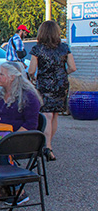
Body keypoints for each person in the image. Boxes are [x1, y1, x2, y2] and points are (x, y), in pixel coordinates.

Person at [0, 61, 43, 205]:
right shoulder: (0, 93)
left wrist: (10, 139)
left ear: (12, 77)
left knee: (1, 149)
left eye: (1, 74)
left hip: (22, 138)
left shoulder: (29, 96)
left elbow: (31, 124)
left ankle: (19, 191)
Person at [28, 20, 76, 161]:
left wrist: (33, 77)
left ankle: (47, 147)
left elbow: (31, 70)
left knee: (46, 116)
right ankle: (49, 146)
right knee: (54, 115)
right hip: (61, 84)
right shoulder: (64, 48)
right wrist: (62, 73)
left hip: (44, 84)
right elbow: (73, 67)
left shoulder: (38, 49)